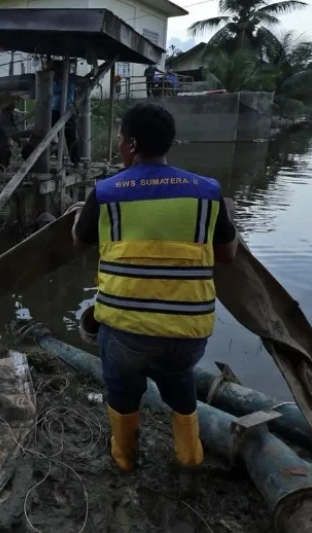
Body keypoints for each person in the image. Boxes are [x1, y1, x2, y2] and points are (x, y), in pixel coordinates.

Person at [71, 102, 238, 475]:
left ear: (130, 144)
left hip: (126, 332)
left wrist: (80, 213)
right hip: (189, 333)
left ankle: (126, 458)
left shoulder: (107, 192)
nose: (118, 145)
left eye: (119, 139)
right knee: (179, 383)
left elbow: (79, 242)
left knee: (123, 389)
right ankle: (190, 457)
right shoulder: (208, 192)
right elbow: (227, 254)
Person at [51, 61, 83, 166]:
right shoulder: (51, 80)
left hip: (68, 111)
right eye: (56, 70)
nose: (58, 72)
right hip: (55, 111)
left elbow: (83, 81)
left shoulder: (71, 78)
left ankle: (76, 161)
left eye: (60, 70)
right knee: (55, 137)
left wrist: (90, 78)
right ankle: (58, 160)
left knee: (71, 137)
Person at [0, 93, 29, 171]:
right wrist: (30, 133)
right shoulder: (2, 116)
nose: (14, 104)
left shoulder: (8, 114)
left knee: (3, 169)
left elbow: (13, 130)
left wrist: (19, 141)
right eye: (13, 102)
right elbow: (12, 133)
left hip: (3, 147)